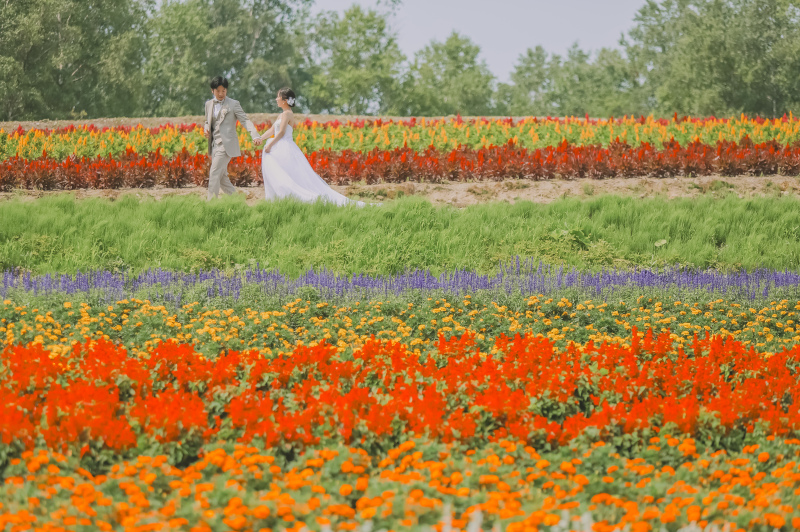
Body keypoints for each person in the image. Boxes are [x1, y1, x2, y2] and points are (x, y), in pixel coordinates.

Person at [258, 88, 367, 206]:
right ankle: (279, 200)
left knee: (287, 177)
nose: (276, 99)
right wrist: (260, 138)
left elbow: (281, 132)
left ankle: (291, 199)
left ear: (284, 100)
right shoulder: (281, 114)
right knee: (278, 175)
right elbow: (272, 130)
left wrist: (269, 144)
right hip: (278, 146)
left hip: (284, 147)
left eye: (278, 97)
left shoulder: (287, 114)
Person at [203, 76, 262, 200]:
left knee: (214, 173)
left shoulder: (233, 104)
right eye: (218, 91)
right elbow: (207, 122)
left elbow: (245, 120)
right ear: (212, 91)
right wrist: (206, 128)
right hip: (214, 145)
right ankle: (238, 202)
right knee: (222, 177)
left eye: (223, 91)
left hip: (226, 145)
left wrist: (255, 134)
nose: (221, 94)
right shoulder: (208, 104)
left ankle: (210, 205)